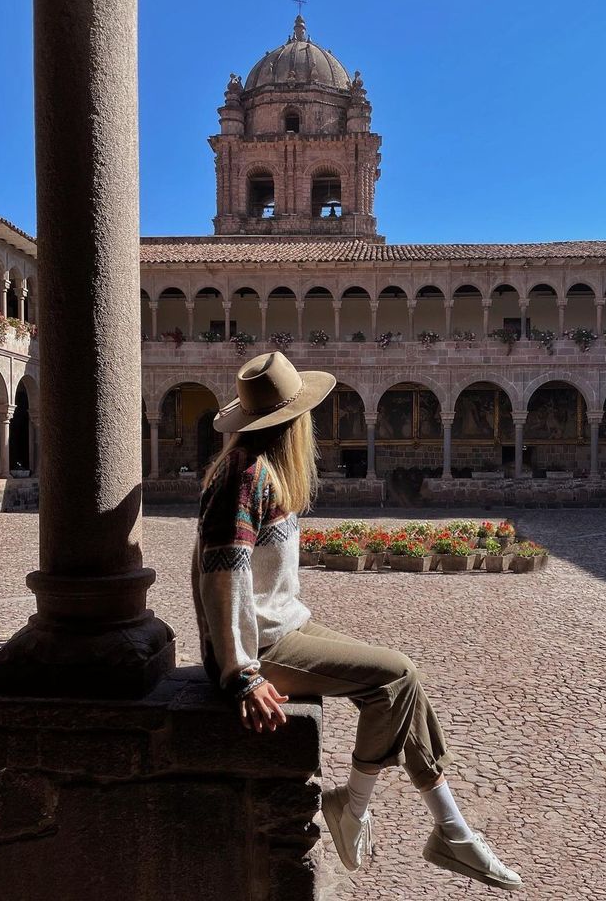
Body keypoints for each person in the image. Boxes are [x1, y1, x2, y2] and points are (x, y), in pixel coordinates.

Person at [191, 351, 523, 891]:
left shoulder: (260, 469)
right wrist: (240, 673)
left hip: (283, 627)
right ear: (293, 422)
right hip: (262, 647)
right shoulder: (246, 475)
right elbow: (221, 578)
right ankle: (358, 808)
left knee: (403, 682)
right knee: (396, 675)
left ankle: (451, 829)